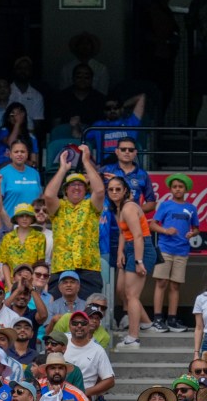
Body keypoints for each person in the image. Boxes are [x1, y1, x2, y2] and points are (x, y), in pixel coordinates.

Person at [43, 146, 104, 299]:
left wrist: (86, 161)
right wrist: (63, 169)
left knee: (90, 311)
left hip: (88, 267)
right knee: (58, 311)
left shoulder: (91, 206)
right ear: (65, 190)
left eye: (81, 185)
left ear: (85, 190)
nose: (76, 187)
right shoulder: (59, 206)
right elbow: (49, 195)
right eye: (72, 185)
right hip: (62, 267)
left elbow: (100, 191)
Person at [109, 176, 156, 348]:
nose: (114, 192)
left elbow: (138, 236)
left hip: (140, 249)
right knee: (122, 291)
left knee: (132, 295)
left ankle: (133, 337)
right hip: (129, 248)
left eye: (118, 189)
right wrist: (120, 251)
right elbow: (124, 232)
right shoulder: (120, 208)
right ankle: (146, 323)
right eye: (111, 189)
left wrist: (138, 261)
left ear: (126, 191)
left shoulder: (128, 207)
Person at [150, 173, 199, 332]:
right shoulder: (165, 205)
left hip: (182, 250)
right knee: (161, 283)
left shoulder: (192, 208)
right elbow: (153, 225)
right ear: (171, 189)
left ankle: (171, 319)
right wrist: (165, 230)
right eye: (175, 187)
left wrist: (193, 233)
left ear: (186, 189)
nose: (177, 189)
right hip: (165, 248)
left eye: (180, 187)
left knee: (175, 285)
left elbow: (196, 228)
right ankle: (157, 319)